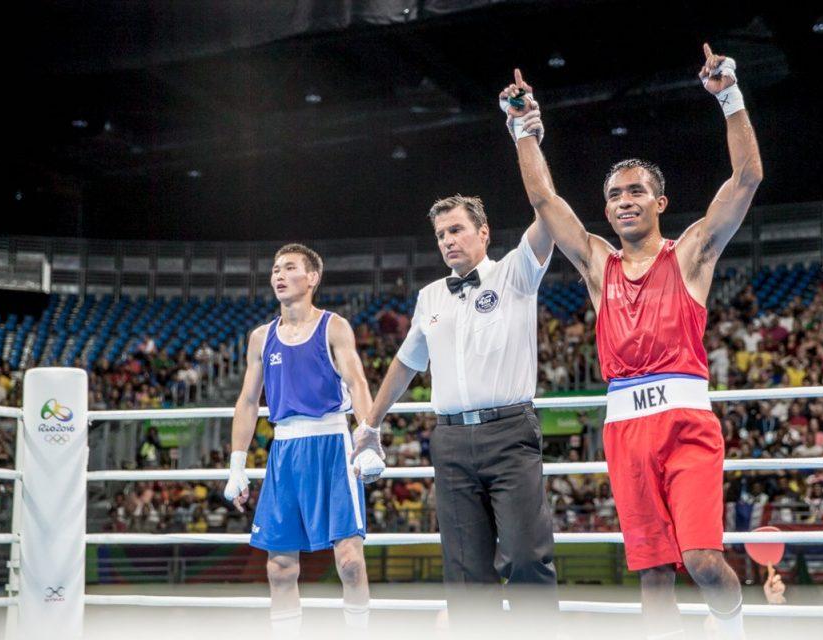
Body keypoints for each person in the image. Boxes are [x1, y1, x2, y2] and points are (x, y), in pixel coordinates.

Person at [502, 41, 763, 640]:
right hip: (625, 429)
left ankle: (737, 627)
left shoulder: (692, 253)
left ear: (660, 202)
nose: (624, 201)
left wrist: (729, 95)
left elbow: (747, 178)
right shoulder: (598, 264)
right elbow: (545, 201)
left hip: (687, 425)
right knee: (652, 576)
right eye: (615, 194)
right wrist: (522, 129)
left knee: (700, 560)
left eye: (636, 191)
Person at [357, 193, 557, 624]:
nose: (448, 240)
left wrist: (526, 139)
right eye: (441, 235)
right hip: (448, 441)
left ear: (483, 232)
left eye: (457, 230)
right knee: (465, 573)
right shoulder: (430, 296)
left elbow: (548, 211)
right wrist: (370, 424)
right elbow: (408, 361)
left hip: (509, 434)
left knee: (526, 557)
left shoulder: (515, 273)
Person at [223, 243, 384, 636]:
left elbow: (358, 382)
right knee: (279, 568)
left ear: (312, 277)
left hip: (332, 444)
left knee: (349, 561)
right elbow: (246, 401)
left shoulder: (334, 326)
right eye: (275, 268)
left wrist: (368, 440)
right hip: (284, 450)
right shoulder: (261, 338)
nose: (278, 274)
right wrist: (237, 467)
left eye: (289, 267)